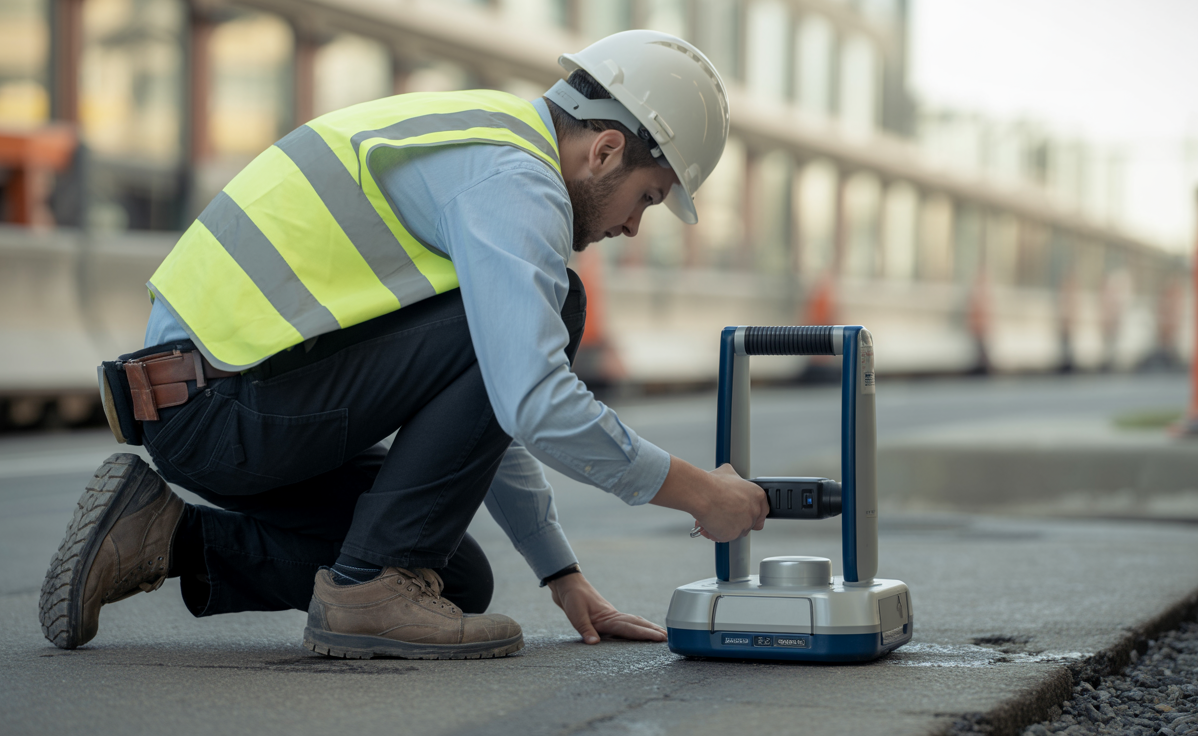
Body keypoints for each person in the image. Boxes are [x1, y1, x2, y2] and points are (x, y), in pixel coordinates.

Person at [38, 30, 770, 660]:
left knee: (453, 579)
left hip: (211, 401)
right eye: (647, 196)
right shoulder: (519, 182)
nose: (635, 227)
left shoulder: (486, 135)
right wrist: (701, 492)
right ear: (606, 150)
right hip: (222, 405)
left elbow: (484, 399)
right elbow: (531, 399)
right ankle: (369, 592)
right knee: (560, 305)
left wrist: (560, 573)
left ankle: (157, 535)